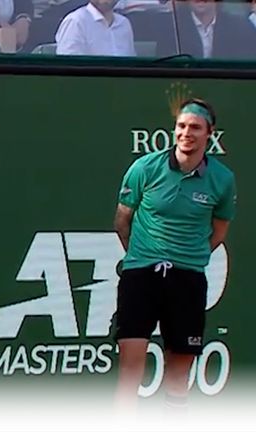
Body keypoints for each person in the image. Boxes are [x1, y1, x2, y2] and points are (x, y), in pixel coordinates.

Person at [112, 98, 236, 415]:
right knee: (130, 367)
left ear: (210, 133)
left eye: (195, 127)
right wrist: (144, 256)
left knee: (179, 374)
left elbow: (218, 233)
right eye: (181, 126)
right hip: (141, 275)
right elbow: (121, 221)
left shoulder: (222, 180)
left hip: (187, 279)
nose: (186, 133)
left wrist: (188, 256)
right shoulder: (145, 168)